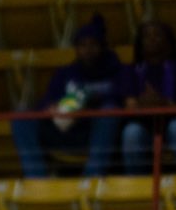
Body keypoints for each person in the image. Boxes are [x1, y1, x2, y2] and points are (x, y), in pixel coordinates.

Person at [11, 14, 126, 179]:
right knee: (21, 115)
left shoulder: (117, 71)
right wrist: (51, 107)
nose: (88, 50)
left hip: (95, 133)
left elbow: (121, 99)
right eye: (82, 45)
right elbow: (46, 101)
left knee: (110, 111)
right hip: (64, 128)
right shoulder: (65, 73)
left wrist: (89, 101)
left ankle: (92, 177)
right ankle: (36, 179)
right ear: (76, 49)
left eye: (93, 44)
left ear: (102, 46)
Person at [122, 20, 176, 176]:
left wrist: (161, 102)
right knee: (131, 132)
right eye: (147, 36)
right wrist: (144, 104)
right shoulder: (131, 71)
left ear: (169, 40)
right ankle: (136, 184)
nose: (152, 39)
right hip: (146, 126)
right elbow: (130, 106)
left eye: (158, 35)